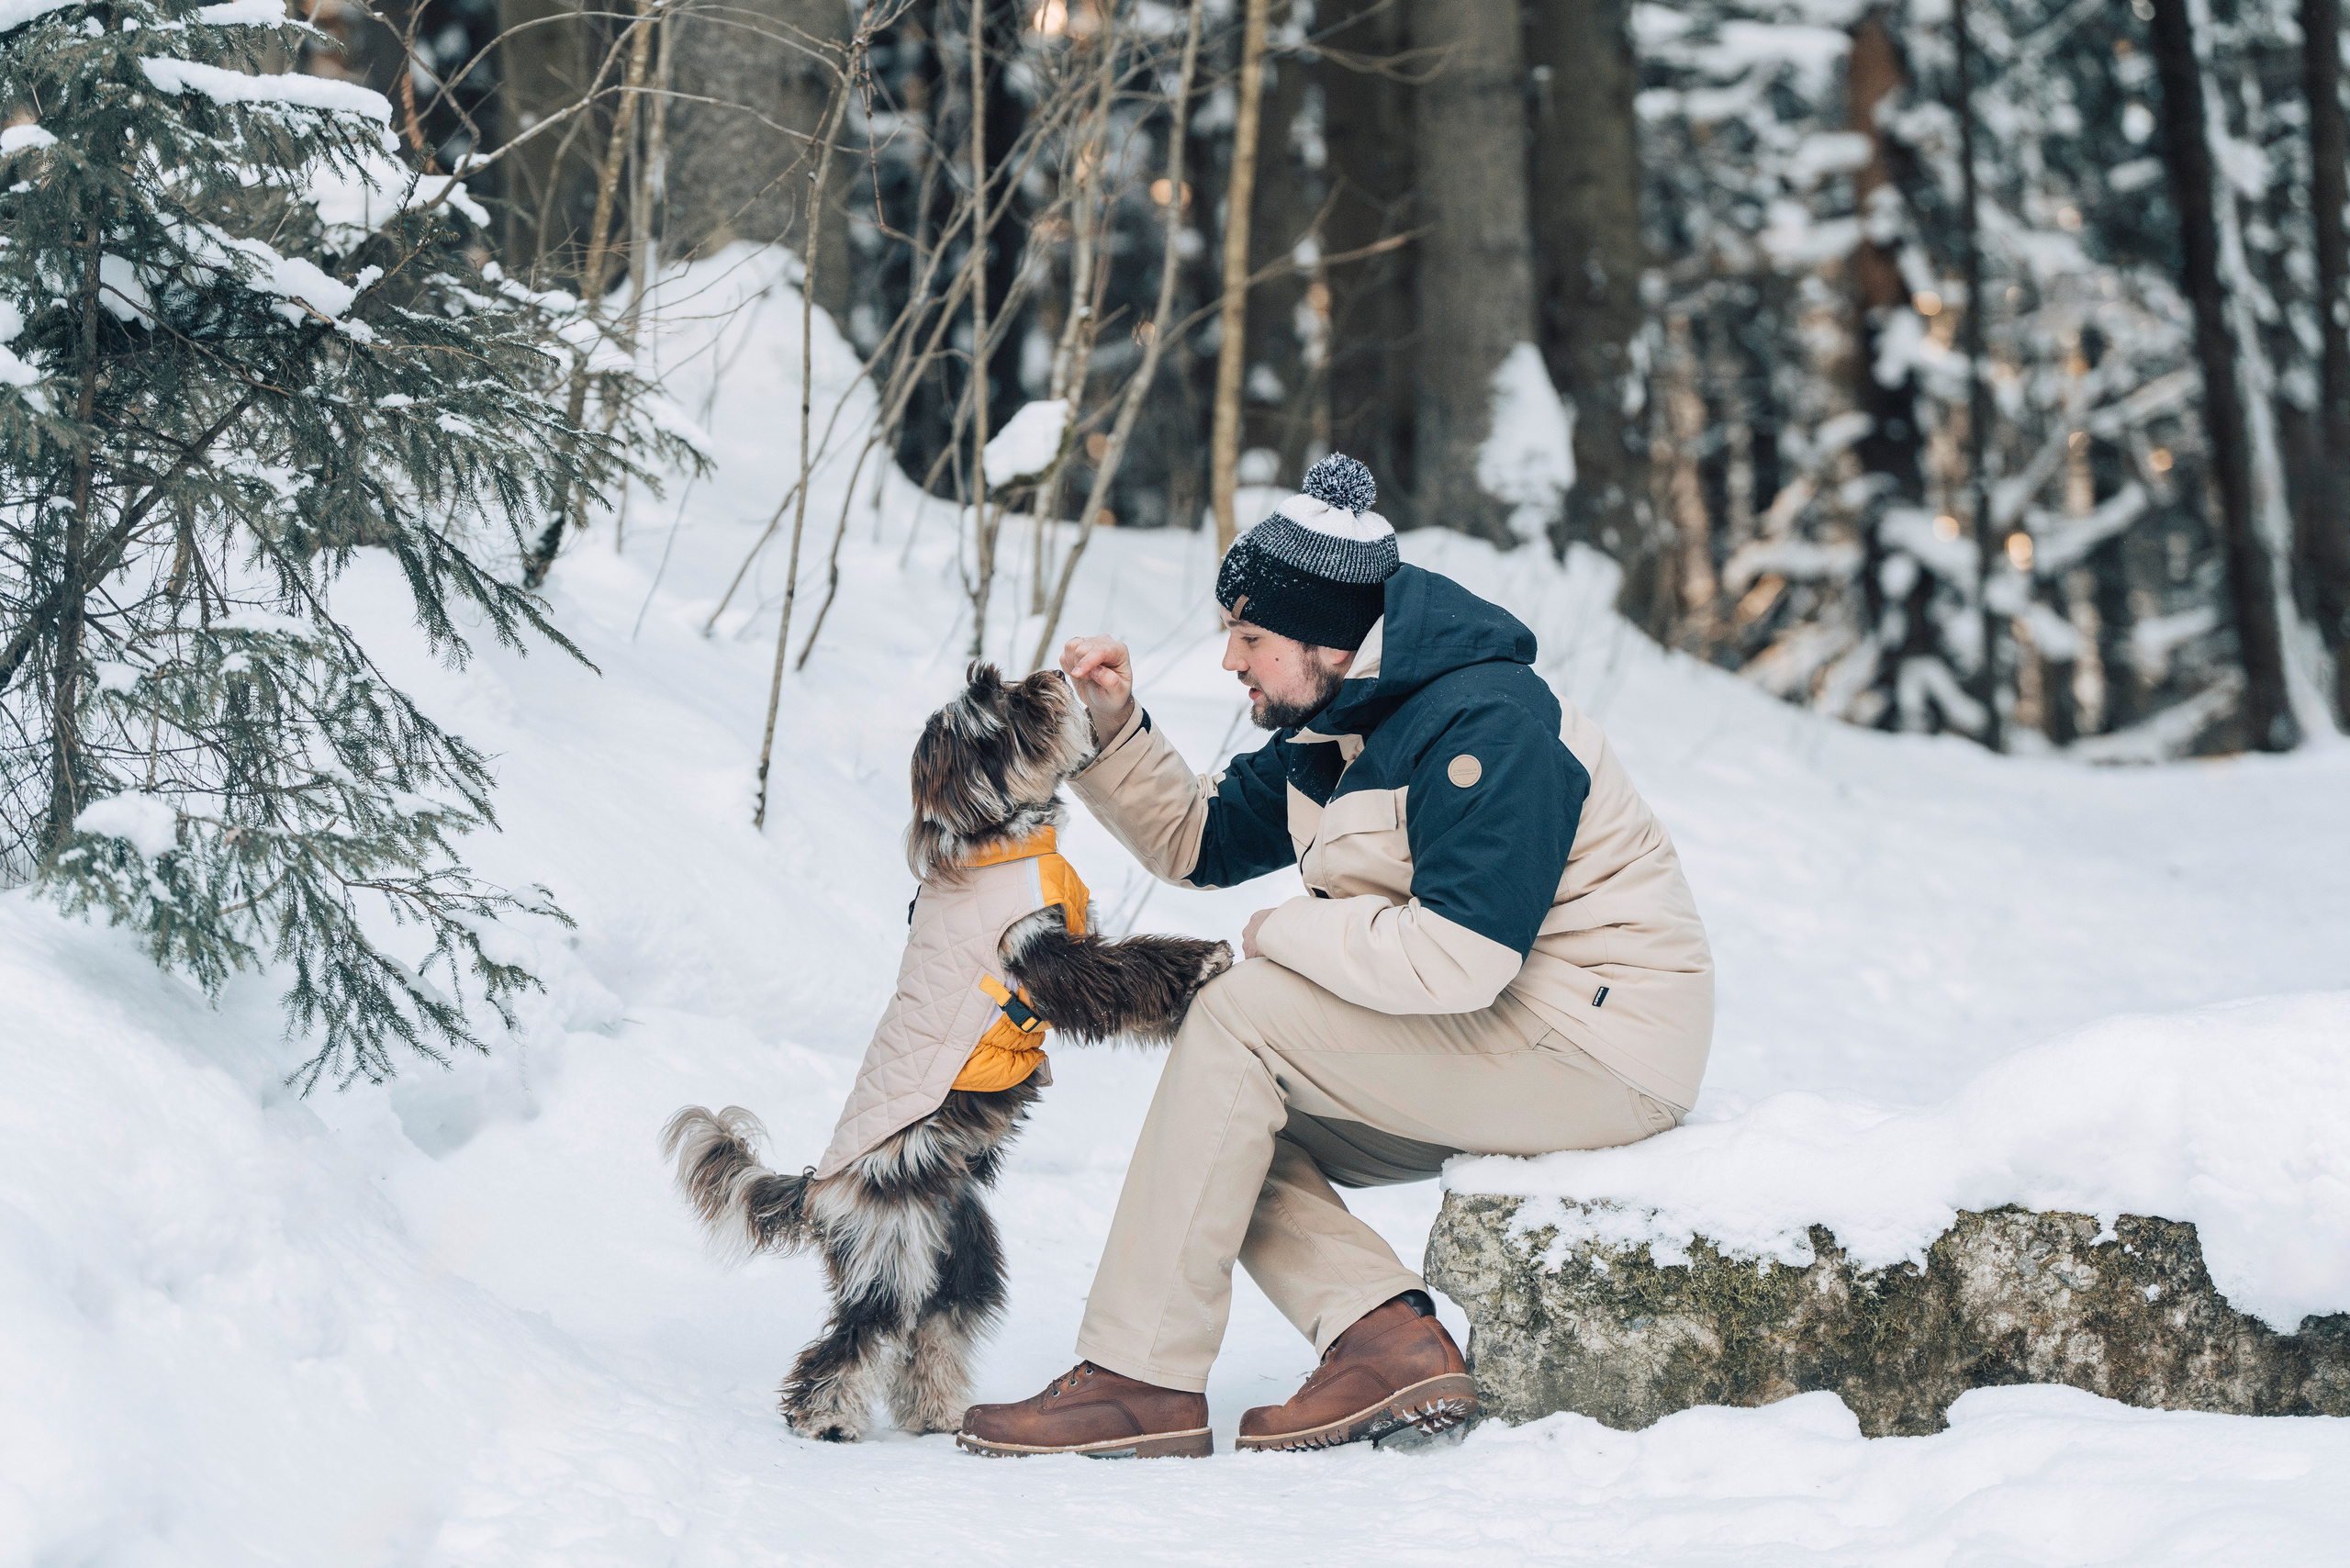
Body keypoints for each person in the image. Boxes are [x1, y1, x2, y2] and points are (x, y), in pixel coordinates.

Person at [955, 454, 1714, 1458]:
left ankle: (1140, 1378)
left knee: (1238, 1016)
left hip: (1598, 1047)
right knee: (1223, 1123)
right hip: (1511, 1033)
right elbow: (1197, 841)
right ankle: (1383, 1339)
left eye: (1250, 637)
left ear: (1327, 636)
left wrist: (1278, 934)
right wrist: (1113, 727)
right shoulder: (1342, 721)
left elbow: (1461, 955)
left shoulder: (1487, 723)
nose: (1230, 660)